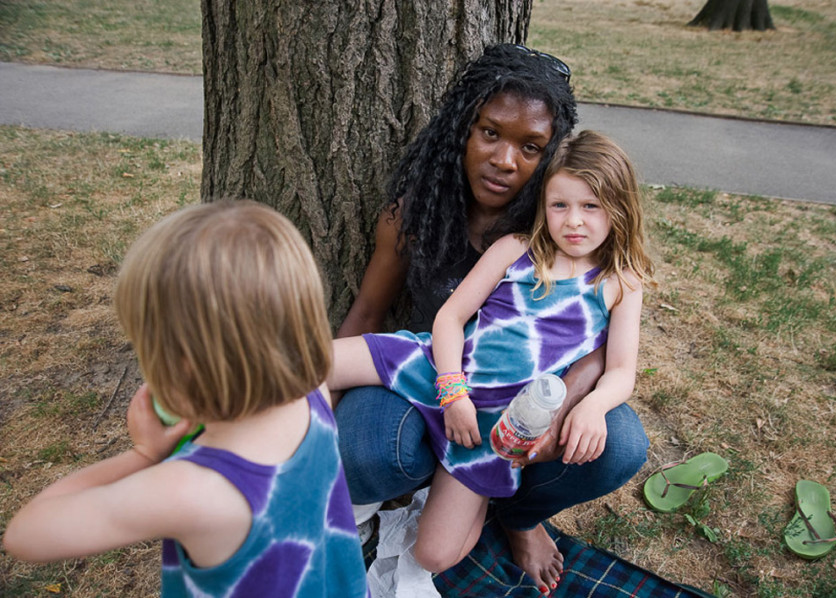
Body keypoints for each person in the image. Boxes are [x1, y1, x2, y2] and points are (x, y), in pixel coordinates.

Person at [334, 129, 653, 593]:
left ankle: (484, 500)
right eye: (560, 205)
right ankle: (274, 464)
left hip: (496, 424)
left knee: (433, 554)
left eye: (592, 206)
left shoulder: (620, 282)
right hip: (438, 371)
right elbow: (449, 318)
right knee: (306, 365)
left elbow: (622, 370)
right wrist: (452, 389)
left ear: (619, 209)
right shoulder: (517, 250)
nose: (574, 221)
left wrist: (593, 405)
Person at [3, 201, 369, 598]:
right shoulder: (312, 394)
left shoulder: (188, 490)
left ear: (182, 367)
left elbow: (27, 533)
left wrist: (143, 455)